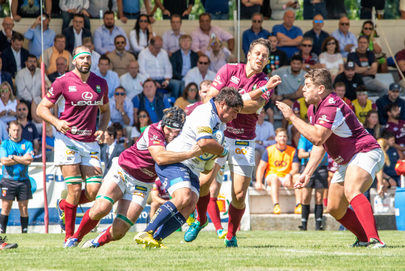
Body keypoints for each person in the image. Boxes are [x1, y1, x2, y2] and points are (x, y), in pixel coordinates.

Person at [183, 38, 282, 247]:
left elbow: (251, 107)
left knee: (238, 194)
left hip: (245, 139)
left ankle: (231, 235)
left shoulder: (266, 82)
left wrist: (229, 101)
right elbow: (211, 96)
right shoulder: (228, 69)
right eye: (258, 54)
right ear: (249, 55)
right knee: (204, 184)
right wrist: (238, 102)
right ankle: (201, 220)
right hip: (220, 133)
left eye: (264, 56)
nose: (260, 58)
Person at [276, 68, 386, 248]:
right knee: (334, 207)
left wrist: (291, 117)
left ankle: (375, 239)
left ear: (320, 89)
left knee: (352, 190)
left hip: (365, 151)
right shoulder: (313, 108)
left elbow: (317, 137)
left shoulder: (332, 104)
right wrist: (307, 172)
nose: (303, 89)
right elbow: (320, 144)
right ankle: (364, 239)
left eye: (308, 86)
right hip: (348, 160)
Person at [67, 107, 202, 248]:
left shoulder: (181, 138)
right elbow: (160, 157)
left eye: (177, 131)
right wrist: (190, 154)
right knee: (102, 207)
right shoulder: (154, 130)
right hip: (123, 171)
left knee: (120, 231)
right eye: (169, 130)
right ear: (163, 124)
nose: (173, 134)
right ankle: (75, 239)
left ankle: (95, 243)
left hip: (143, 184)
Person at [134, 88, 243, 248]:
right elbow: (204, 142)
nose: (235, 117)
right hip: (176, 160)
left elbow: (207, 160)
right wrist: (223, 151)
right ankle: (148, 231)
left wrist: (211, 160)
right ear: (223, 104)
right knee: (183, 196)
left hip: (192, 167)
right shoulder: (205, 113)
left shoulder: (220, 124)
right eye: (234, 112)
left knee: (191, 204)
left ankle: (155, 239)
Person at [36, 45, 110, 247]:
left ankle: (64, 204)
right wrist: (57, 122)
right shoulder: (63, 81)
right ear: (74, 61)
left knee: (95, 190)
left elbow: (105, 110)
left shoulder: (100, 83)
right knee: (75, 188)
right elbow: (41, 108)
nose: (85, 61)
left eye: (88, 58)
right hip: (67, 139)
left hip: (90, 142)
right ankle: (70, 237)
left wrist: (102, 128)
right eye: (82, 58)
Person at [255, 128, 301, 214]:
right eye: (280, 136)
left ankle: (299, 205)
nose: (282, 138)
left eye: (284, 136)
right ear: (276, 138)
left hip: (286, 177)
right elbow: (261, 168)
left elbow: (295, 168)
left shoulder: (292, 150)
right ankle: (276, 205)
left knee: (297, 177)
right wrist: (258, 182)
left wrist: (289, 175)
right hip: (272, 177)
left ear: (287, 138)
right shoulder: (269, 150)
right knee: (274, 178)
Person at [0, 121, 34, 234]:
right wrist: (21, 159)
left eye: (18, 130)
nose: (16, 132)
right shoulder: (4, 144)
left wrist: (13, 157)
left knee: (23, 207)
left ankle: (24, 232)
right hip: (7, 180)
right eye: (13, 130)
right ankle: (2, 231)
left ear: (21, 131)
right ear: (9, 131)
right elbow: (4, 161)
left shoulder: (27, 144)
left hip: (23, 180)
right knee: (6, 206)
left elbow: (29, 160)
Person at [296, 133, 328, 231]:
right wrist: (315, 154)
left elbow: (327, 152)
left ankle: (318, 225)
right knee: (305, 196)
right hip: (306, 166)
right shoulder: (304, 137)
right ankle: (304, 224)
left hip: (321, 167)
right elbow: (300, 154)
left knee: (319, 197)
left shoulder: (324, 136)